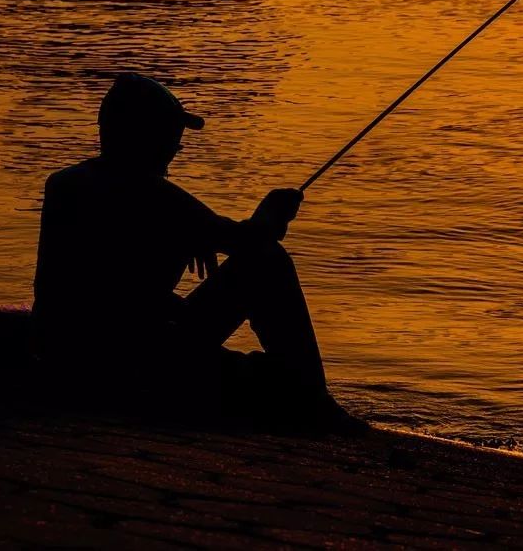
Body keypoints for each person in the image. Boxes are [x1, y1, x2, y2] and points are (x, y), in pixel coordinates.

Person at [31, 73, 362, 431]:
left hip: (66, 357)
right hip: (128, 369)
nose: (175, 149)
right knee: (268, 262)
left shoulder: (65, 184)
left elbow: (111, 288)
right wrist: (272, 213)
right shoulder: (151, 194)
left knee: (252, 370)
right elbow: (249, 241)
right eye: (171, 139)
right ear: (145, 137)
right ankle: (312, 400)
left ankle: (295, 392)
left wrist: (184, 237)